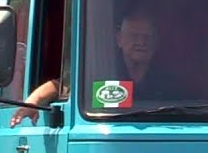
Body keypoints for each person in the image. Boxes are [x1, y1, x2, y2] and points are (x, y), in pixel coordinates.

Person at [10, 11, 168, 128]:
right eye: (134, 36)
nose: (141, 42)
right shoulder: (102, 70)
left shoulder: (167, 80)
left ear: (157, 41)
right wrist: (33, 102)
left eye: (147, 36)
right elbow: (61, 86)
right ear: (119, 39)